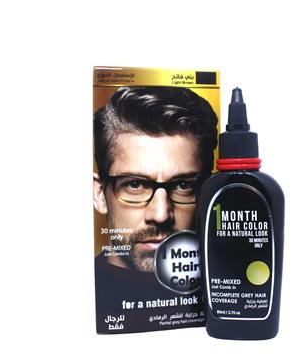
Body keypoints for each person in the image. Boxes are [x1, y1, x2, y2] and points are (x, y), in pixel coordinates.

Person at [93, 86, 218, 273]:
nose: (160, 215)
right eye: (135, 184)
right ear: (100, 194)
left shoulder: (222, 287)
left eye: (183, 185)